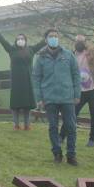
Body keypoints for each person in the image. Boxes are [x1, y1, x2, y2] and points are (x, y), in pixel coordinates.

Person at [33, 28, 82, 165]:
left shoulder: (68, 55)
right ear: (46, 39)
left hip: (67, 97)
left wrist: (77, 94)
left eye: (55, 36)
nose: (54, 38)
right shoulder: (41, 58)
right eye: (51, 36)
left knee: (71, 126)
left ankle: (71, 155)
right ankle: (57, 153)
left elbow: (76, 75)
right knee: (53, 127)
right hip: (49, 98)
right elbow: (36, 78)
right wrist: (39, 98)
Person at [61, 27, 94, 147]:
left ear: (85, 42)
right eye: (77, 41)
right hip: (79, 91)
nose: (79, 43)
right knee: (71, 113)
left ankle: (92, 140)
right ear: (75, 43)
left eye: (82, 40)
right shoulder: (71, 56)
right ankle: (61, 136)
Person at [0, 21, 47, 130]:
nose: (20, 40)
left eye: (22, 39)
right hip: (16, 81)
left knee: (27, 105)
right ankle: (16, 124)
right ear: (16, 41)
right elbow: (2, 41)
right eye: (18, 39)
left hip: (27, 81)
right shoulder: (11, 49)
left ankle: (27, 125)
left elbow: (41, 43)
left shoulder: (31, 50)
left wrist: (48, 35)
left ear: (25, 41)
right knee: (15, 105)